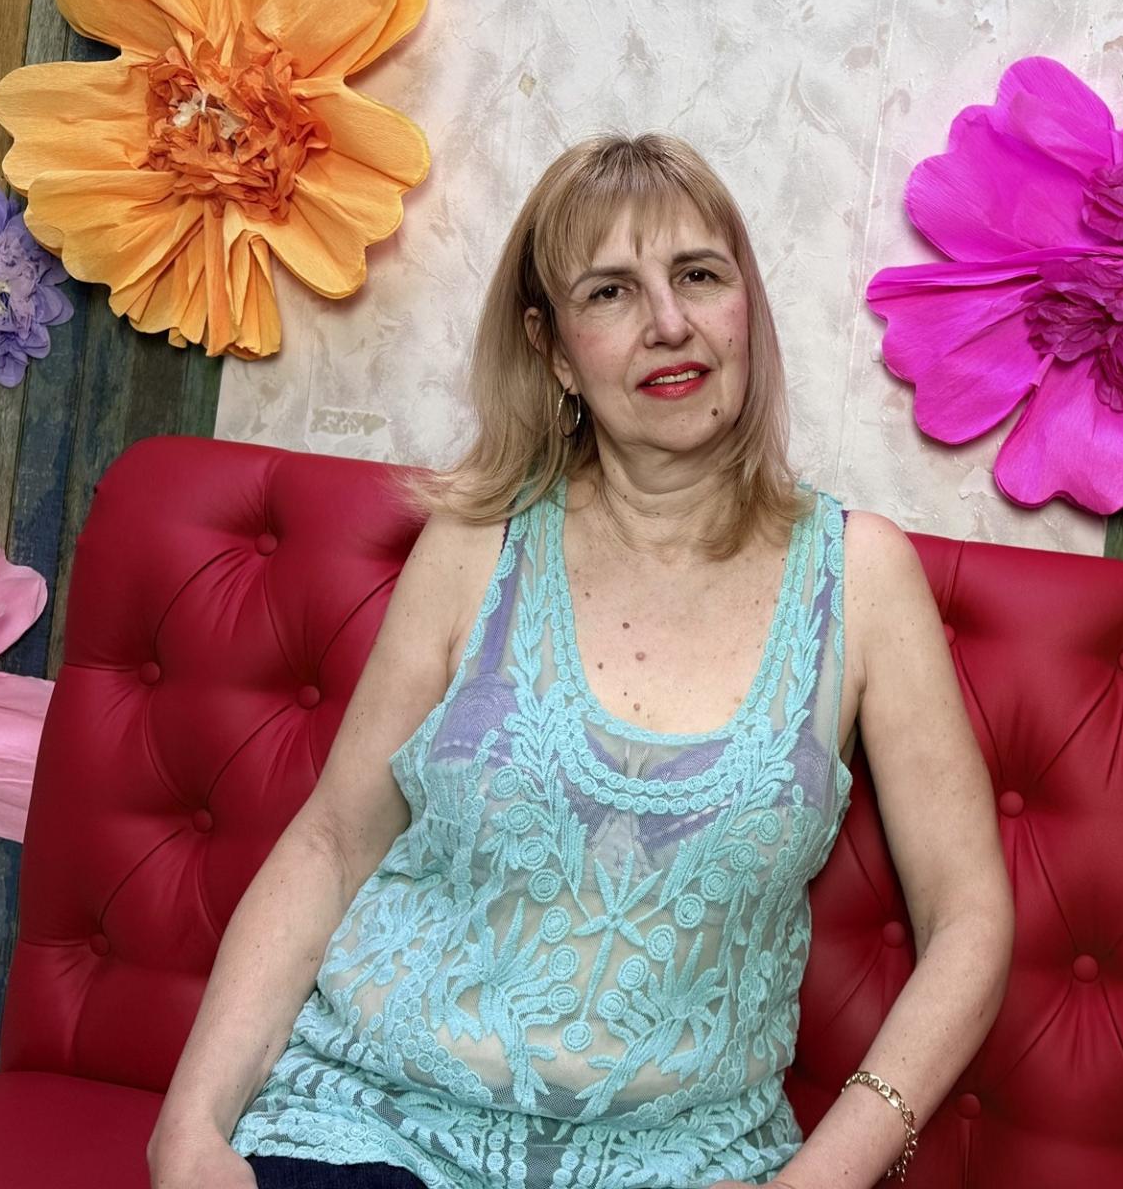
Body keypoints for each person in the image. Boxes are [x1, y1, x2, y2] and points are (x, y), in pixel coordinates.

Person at [146, 133, 1015, 1189]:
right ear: (553, 350)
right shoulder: (476, 544)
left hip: (685, 1163)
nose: (668, 323)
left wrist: (823, 1177)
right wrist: (189, 1126)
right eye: (610, 292)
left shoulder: (859, 576)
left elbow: (967, 920)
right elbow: (332, 843)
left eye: (699, 275)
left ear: (744, 306)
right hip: (379, 1128)